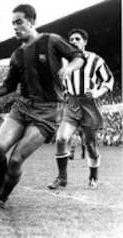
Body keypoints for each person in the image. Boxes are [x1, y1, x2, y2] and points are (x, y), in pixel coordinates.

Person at [0, 4, 85, 210]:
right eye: (13, 23)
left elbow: (78, 56)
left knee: (16, 159)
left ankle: (1, 197)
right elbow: (8, 87)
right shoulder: (17, 55)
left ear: (32, 22)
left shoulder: (51, 40)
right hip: (22, 108)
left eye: (19, 22)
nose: (15, 27)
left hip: (48, 111)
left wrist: (69, 69)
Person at [48, 28, 114, 189]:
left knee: (90, 146)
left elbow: (108, 80)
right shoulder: (64, 61)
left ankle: (93, 177)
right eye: (71, 40)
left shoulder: (95, 59)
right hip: (70, 104)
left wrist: (97, 92)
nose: (74, 42)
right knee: (61, 138)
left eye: (78, 39)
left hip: (88, 105)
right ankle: (61, 177)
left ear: (85, 42)